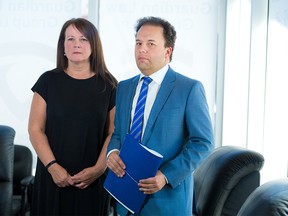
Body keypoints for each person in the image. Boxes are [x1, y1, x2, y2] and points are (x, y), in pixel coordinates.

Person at [106, 16, 214, 215]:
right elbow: (118, 134)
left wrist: (165, 176)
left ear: (168, 51)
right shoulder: (124, 87)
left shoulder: (189, 89)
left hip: (167, 201)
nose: (142, 49)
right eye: (138, 43)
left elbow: (203, 142)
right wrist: (112, 153)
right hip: (124, 199)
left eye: (150, 44)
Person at [28, 18, 117, 215]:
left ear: (94, 45)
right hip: (51, 177)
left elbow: (113, 133)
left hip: (92, 181)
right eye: (71, 39)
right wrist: (52, 167)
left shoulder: (109, 85)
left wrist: (98, 169)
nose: (77, 44)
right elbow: (35, 129)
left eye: (84, 39)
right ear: (63, 46)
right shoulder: (47, 81)